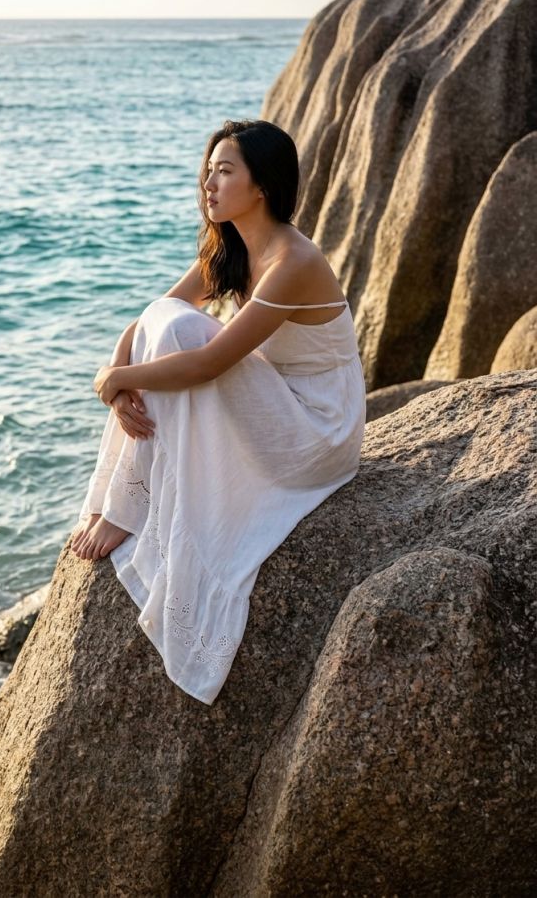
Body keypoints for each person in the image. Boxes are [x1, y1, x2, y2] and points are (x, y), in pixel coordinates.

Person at [70, 118, 366, 706]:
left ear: (262, 186)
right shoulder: (232, 245)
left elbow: (207, 363)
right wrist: (116, 373)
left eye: (224, 171)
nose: (208, 183)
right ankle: (129, 500)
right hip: (280, 402)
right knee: (167, 318)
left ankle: (127, 507)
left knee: (182, 334)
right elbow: (154, 313)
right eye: (207, 170)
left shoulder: (293, 260)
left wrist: (118, 380)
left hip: (318, 428)